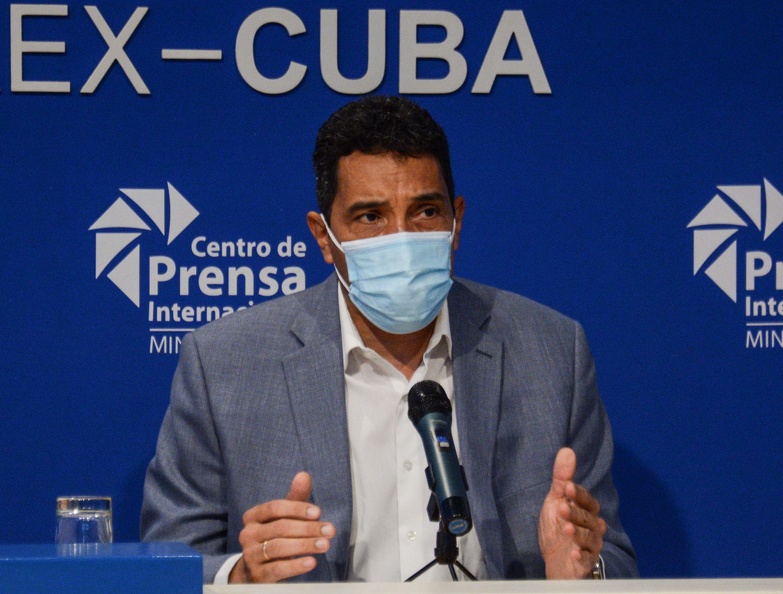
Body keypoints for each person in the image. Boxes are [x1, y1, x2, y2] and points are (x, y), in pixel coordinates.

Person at [140, 96, 638, 584]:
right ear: (323, 236)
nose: (401, 237)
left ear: (456, 221)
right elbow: (165, 560)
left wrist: (580, 573)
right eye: (370, 217)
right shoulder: (225, 363)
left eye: (425, 211)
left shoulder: (552, 351)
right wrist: (241, 576)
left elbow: (612, 558)